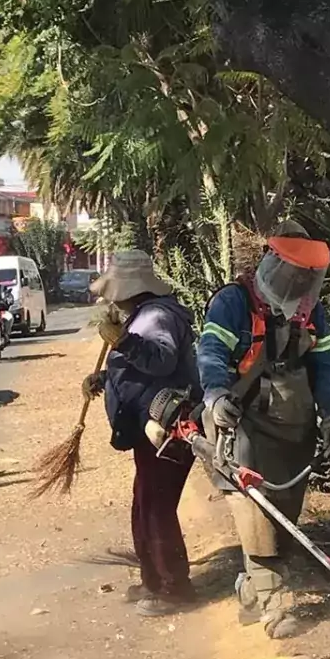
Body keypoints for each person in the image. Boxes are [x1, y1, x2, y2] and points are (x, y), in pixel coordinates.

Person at [197, 219, 330, 639]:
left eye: (308, 276)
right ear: (273, 262)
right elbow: (211, 352)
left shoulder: (310, 309)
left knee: (284, 520)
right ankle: (275, 604)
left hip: (294, 429)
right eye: (294, 273)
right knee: (255, 513)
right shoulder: (232, 302)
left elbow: (327, 366)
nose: (301, 282)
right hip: (242, 421)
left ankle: (253, 590)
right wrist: (216, 396)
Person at [82, 250, 201, 617]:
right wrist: (103, 378)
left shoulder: (156, 316)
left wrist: (124, 342)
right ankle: (153, 580)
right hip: (148, 428)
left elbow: (161, 360)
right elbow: (137, 371)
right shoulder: (140, 316)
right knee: (144, 504)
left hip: (167, 429)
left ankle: (174, 587)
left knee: (156, 507)